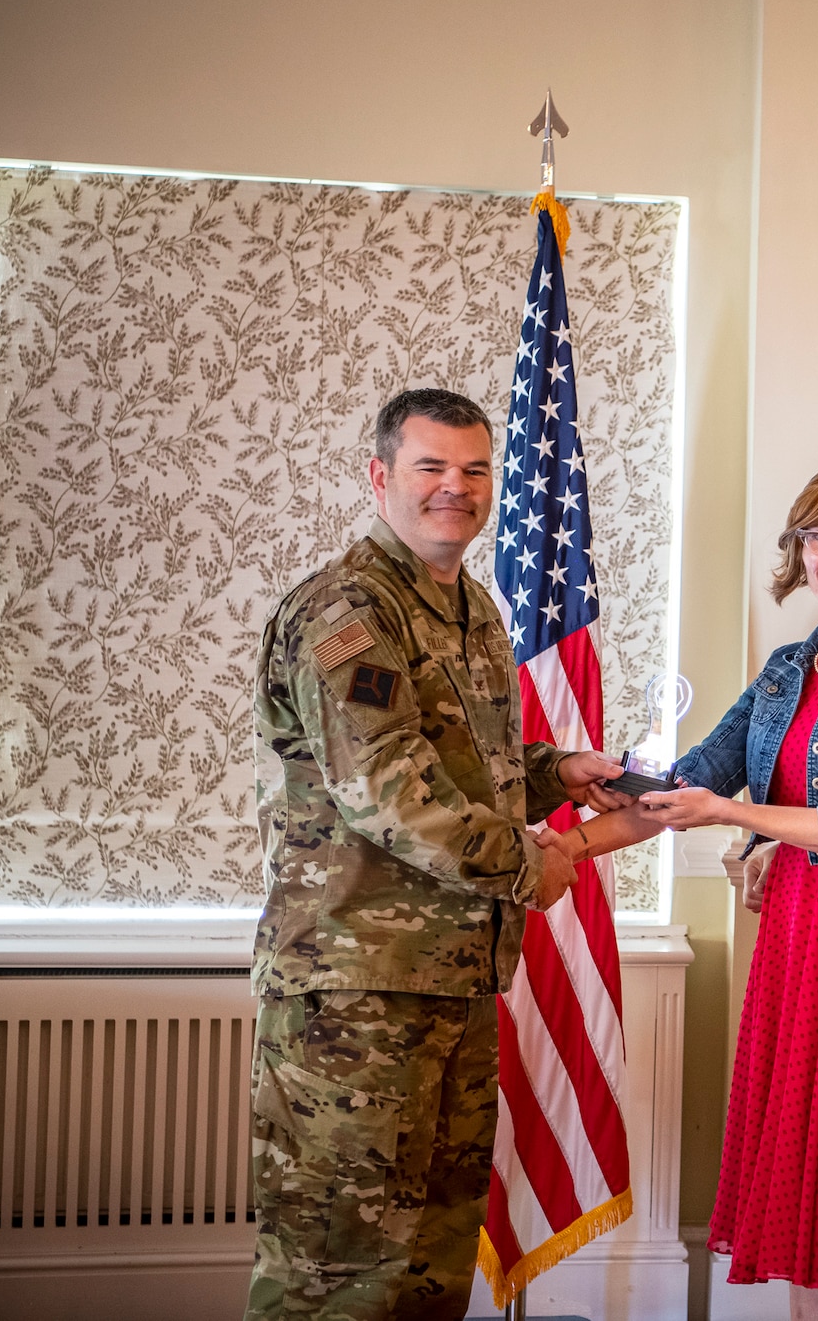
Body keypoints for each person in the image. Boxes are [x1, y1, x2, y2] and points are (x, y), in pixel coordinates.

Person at [246, 388, 627, 1320]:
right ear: (381, 477)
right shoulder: (348, 613)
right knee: (337, 1274)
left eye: (473, 469)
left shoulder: (471, 608)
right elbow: (390, 794)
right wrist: (532, 865)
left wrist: (557, 771)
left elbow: (468, 768)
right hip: (357, 994)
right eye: (430, 467)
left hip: (453, 987)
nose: (455, 488)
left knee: (427, 1265)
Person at [547, 461, 818, 1320]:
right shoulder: (785, 668)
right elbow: (691, 780)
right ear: (797, 548)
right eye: (817, 534)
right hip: (797, 930)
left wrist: (731, 813)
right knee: (805, 1176)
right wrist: (599, 799)